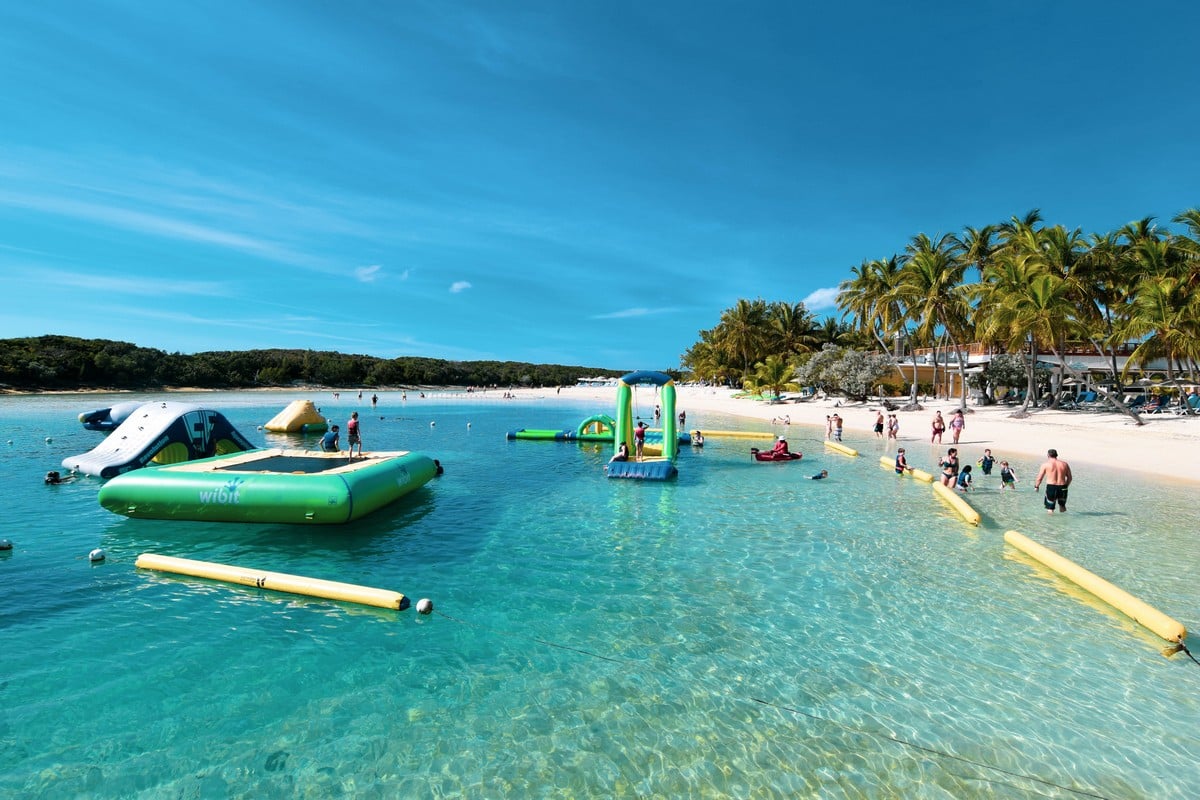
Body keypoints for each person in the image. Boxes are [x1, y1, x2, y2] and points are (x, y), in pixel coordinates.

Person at [1033, 448, 1073, 514]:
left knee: (1050, 508)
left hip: (1051, 487)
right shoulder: (1065, 464)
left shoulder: (1045, 465)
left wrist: (1036, 486)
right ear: (1056, 455)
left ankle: (1049, 523)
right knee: (1062, 506)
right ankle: (1062, 523)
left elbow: (1039, 478)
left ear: (1048, 455)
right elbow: (1070, 478)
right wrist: (1065, 487)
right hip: (1063, 486)